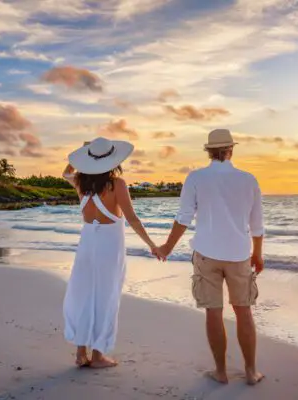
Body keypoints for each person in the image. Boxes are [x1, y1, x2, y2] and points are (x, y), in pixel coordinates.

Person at [155, 128, 265, 385]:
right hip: (239, 255)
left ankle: (221, 372)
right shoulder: (248, 180)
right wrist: (258, 255)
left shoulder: (196, 178)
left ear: (209, 151)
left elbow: (183, 219)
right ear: (231, 150)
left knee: (213, 313)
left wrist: (167, 248)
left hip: (206, 255)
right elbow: (257, 224)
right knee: (243, 312)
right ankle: (251, 371)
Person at [62, 137, 161, 369]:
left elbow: (66, 172)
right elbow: (133, 219)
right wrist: (151, 244)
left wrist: (82, 151)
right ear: (113, 160)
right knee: (106, 297)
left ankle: (80, 353)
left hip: (87, 244)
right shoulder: (117, 184)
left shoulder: (79, 182)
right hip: (109, 246)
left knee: (85, 295)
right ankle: (97, 356)